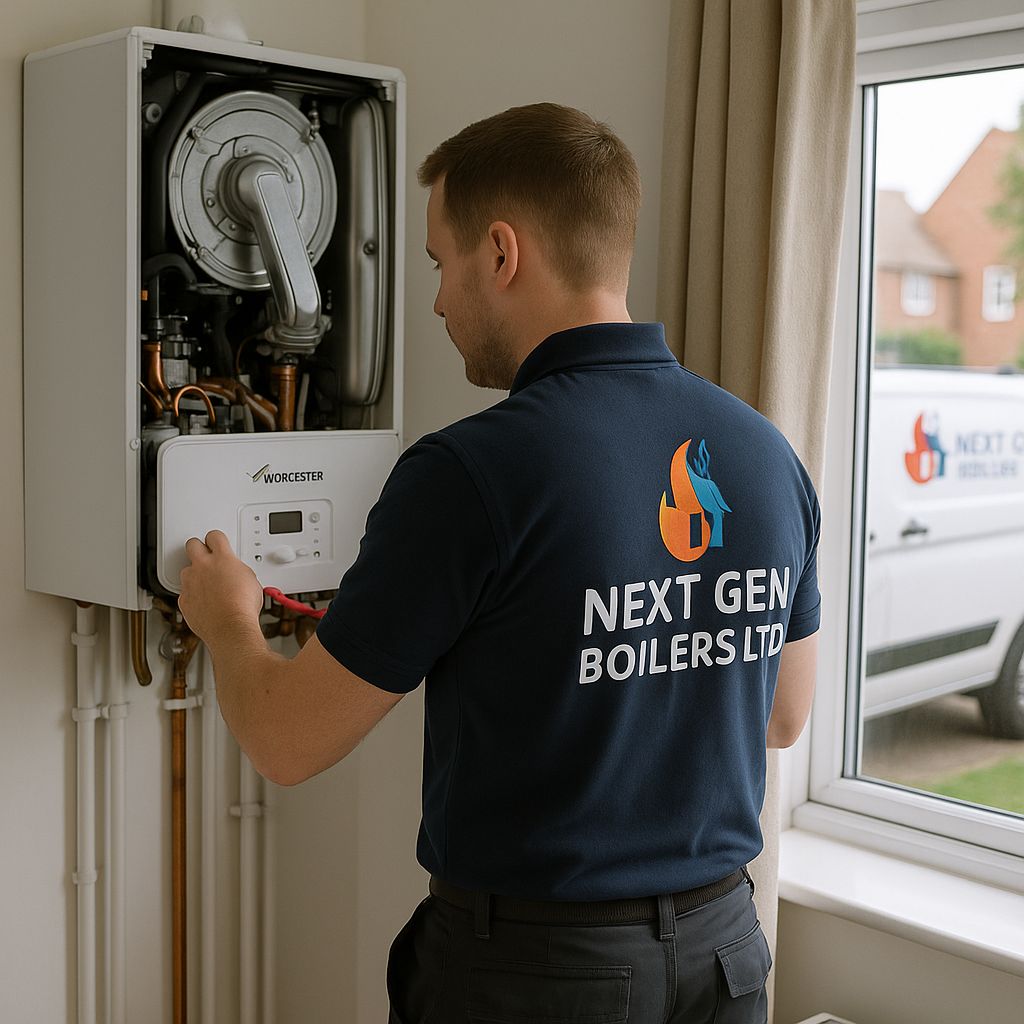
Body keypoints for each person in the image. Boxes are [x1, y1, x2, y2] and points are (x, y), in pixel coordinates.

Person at [179, 101, 820, 1024]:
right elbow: (785, 715)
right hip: (724, 959)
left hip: (540, 976)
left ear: (503, 252)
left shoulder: (471, 473)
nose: (437, 299)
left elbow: (287, 741)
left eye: (441, 263)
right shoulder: (765, 453)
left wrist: (228, 617)